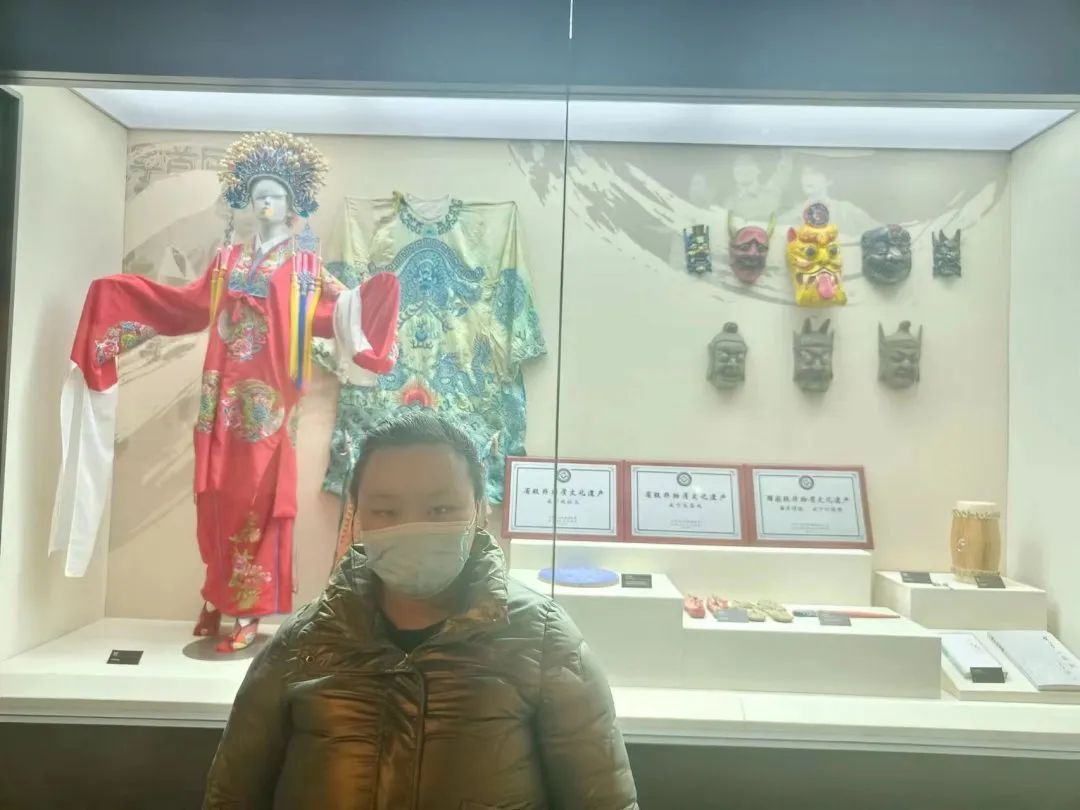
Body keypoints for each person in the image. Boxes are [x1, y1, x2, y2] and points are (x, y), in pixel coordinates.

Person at [203, 411, 639, 809]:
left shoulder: (543, 642)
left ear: (480, 510)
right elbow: (231, 796)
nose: (410, 527)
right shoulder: (302, 644)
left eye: (441, 508)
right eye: (385, 510)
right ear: (357, 517)